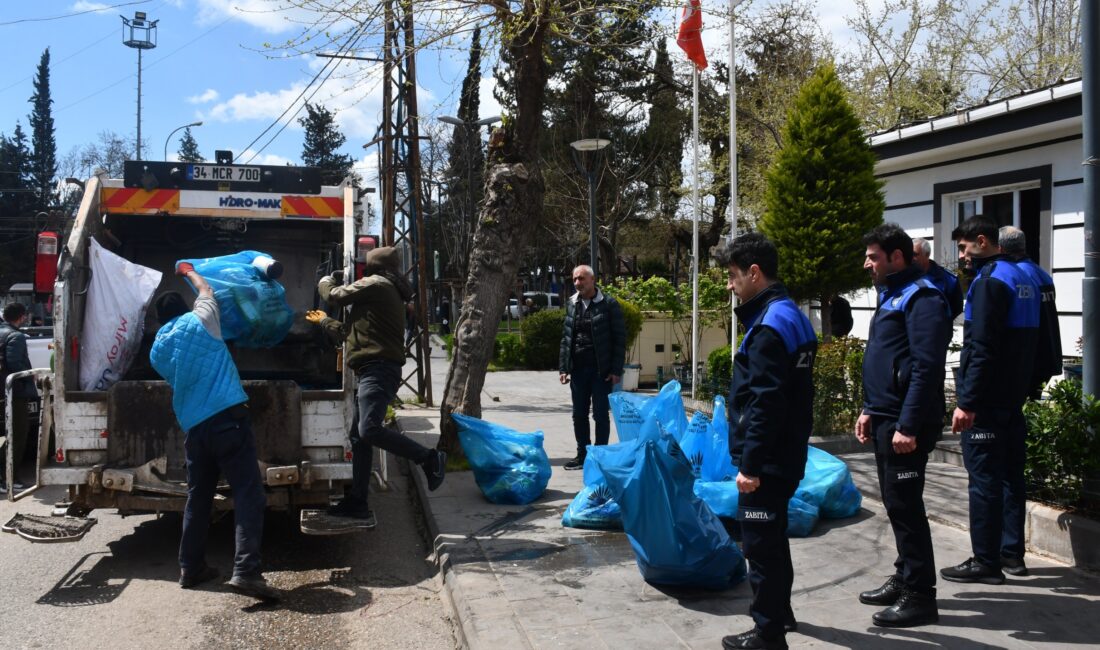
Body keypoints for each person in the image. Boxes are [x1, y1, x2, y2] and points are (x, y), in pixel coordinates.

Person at [149, 264, 279, 601]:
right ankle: (247, 571)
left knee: (199, 497)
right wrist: (188, 271)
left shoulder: (156, 351)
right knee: (249, 494)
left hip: (195, 429)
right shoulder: (202, 320)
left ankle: (190, 568)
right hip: (228, 421)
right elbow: (207, 291)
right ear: (184, 308)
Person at [715, 233, 816, 650]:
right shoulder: (790, 314)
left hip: (769, 459)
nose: (730, 285)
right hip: (787, 451)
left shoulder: (770, 326)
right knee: (774, 539)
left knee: (760, 546)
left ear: (755, 274)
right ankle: (781, 613)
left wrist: (750, 465)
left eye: (734, 276)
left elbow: (766, 403)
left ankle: (767, 632)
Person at [855, 224, 952, 627]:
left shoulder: (924, 298)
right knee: (896, 505)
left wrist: (908, 425)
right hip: (886, 416)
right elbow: (884, 359)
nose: (867, 264)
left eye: (874, 256)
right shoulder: (892, 294)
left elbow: (927, 368)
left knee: (905, 505)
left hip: (906, 424)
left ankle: (920, 596)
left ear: (897, 257)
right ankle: (904, 575)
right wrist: (868, 408)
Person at [310, 246, 446, 525]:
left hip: (378, 370)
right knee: (359, 438)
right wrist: (325, 323)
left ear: (372, 268)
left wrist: (325, 280)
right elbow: (354, 333)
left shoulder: (377, 284)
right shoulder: (385, 291)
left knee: (368, 430)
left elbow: (334, 295)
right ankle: (357, 502)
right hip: (374, 369)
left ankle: (429, 458)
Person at [940, 215, 1039, 586]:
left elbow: (981, 347)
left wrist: (967, 401)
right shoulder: (1025, 275)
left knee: (984, 481)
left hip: (988, 402)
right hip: (1012, 400)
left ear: (982, 241)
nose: (962, 257)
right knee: (1012, 477)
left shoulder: (989, 281)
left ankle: (985, 560)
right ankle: (1012, 555)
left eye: (964, 249)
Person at [996, 226, 1061, 576]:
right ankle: (1010, 552)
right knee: (1013, 471)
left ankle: (1001, 552)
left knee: (1001, 473)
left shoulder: (1012, 277)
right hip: (1035, 373)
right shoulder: (1040, 275)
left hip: (1013, 380)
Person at [558, 264, 626, 471]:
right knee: (579, 414)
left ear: (593, 280)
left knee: (600, 414)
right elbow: (566, 337)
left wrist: (616, 370)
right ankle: (583, 455)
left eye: (582, 279)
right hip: (578, 370)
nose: (578, 283)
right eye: (575, 279)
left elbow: (619, 339)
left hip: (601, 371)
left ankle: (601, 455)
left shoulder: (609, 304)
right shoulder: (572, 304)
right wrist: (563, 367)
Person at [0, 303, 37, 494]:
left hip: (3, 393)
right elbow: (15, 362)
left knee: (8, 436)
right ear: (21, 317)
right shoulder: (16, 336)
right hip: (14, 394)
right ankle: (9, 479)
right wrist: (29, 375)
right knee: (18, 436)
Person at [913, 237, 964, 320]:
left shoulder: (948, 279)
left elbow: (956, 308)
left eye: (914, 254)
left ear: (927, 254)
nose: (911, 258)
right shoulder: (905, 277)